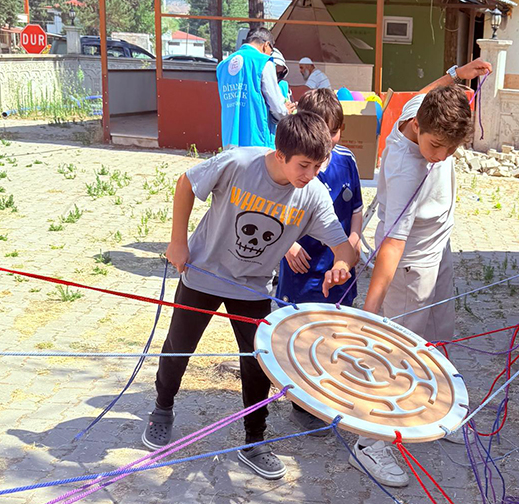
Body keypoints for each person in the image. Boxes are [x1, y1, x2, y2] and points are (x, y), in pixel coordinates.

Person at [141, 112, 357, 480]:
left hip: (253, 287)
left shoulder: (314, 194)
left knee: (258, 361)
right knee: (179, 346)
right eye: (303, 165)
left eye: (318, 166)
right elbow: (186, 183)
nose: (311, 174)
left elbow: (343, 246)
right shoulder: (239, 163)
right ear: (280, 154)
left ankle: (254, 440)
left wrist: (341, 263)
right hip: (203, 274)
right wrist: (178, 241)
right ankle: (162, 409)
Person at [355, 59, 492, 487]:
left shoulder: (422, 109)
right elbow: (392, 244)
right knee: (397, 352)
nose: (442, 156)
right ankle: (370, 441)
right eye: (436, 147)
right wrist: (372, 310)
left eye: (451, 149)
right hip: (410, 266)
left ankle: (435, 412)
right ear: (418, 129)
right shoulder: (407, 171)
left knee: (438, 339)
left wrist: (458, 73)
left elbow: (425, 91)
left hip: (438, 250)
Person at [275, 88, 363, 434]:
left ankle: (330, 393)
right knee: (299, 331)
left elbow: (356, 209)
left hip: (337, 265)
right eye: (321, 132)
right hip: (301, 266)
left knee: (335, 330)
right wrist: (288, 246)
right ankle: (303, 402)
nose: (326, 142)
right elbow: (272, 210)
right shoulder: (293, 167)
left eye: (334, 132)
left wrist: (353, 241)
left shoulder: (346, 161)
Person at [216, 27, 290, 149]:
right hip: (256, 141)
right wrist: (286, 111)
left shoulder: (223, 65)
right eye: (271, 51)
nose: (270, 54)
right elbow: (276, 106)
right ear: (266, 45)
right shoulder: (263, 62)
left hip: (229, 141)